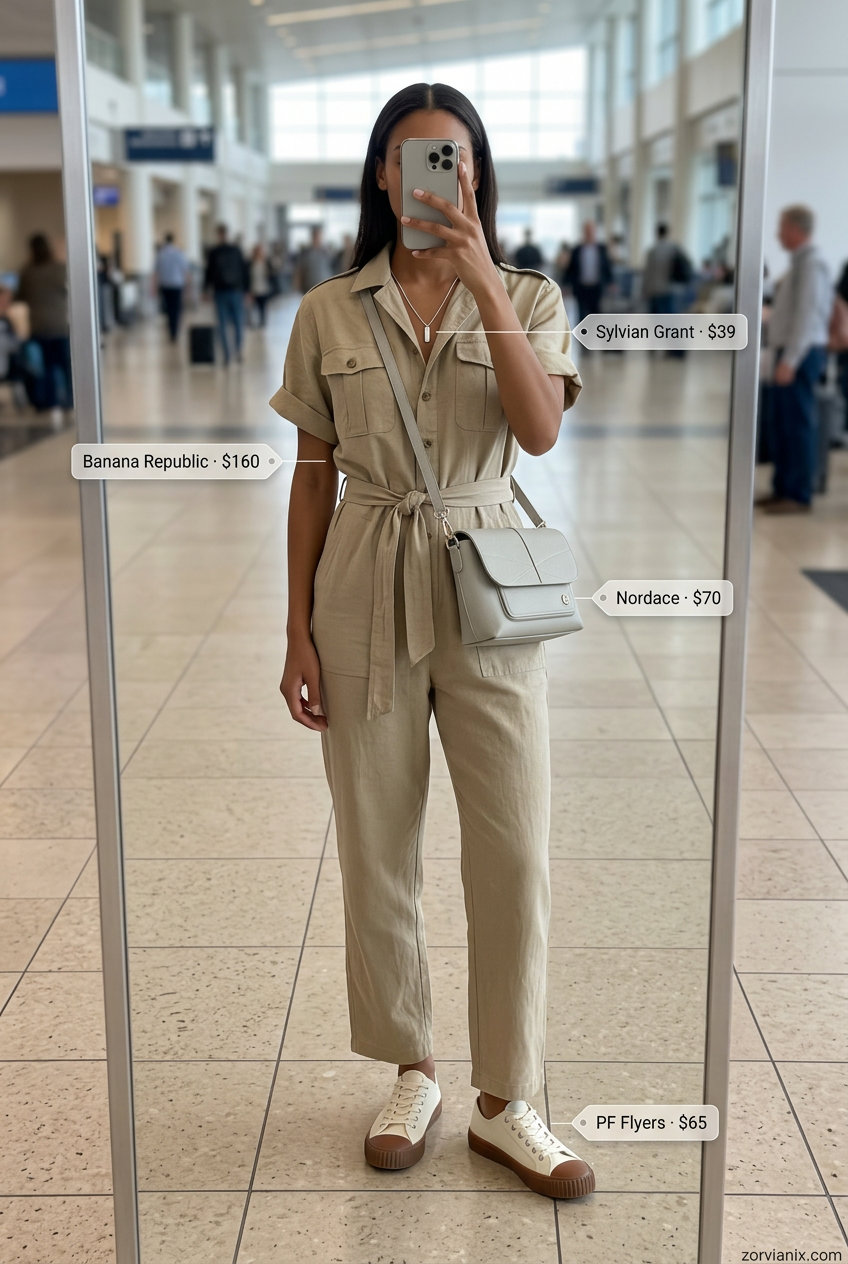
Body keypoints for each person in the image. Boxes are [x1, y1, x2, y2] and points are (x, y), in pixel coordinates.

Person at [273, 81, 594, 1202]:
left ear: (477, 173)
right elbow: (311, 476)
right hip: (361, 571)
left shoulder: (527, 294)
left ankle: (509, 1098)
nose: (432, 177)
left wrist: (475, 281)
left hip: (486, 575)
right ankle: (410, 1069)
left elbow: (539, 430)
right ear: (378, 175)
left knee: (510, 844)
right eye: (413, 159)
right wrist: (295, 628)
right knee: (376, 839)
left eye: (451, 158)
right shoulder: (327, 310)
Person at [758, 204, 832, 513]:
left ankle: (798, 494)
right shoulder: (798, 264)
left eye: (782, 226)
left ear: (796, 229)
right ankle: (782, 487)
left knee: (798, 425)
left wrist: (790, 360)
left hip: (800, 355)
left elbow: (807, 317)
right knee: (782, 423)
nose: (778, 233)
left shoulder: (812, 265)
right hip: (790, 352)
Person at [15, 233, 73, 412]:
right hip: (60, 326)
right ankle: (70, 399)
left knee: (46, 367)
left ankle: (49, 401)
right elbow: (67, 291)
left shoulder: (27, 272)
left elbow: (21, 296)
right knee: (65, 366)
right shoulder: (59, 268)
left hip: (39, 326)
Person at [642, 222, 692, 358]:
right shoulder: (675, 248)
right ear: (667, 232)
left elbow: (648, 273)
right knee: (671, 321)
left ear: (657, 233)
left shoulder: (652, 251)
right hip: (670, 290)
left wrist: (644, 291)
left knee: (655, 321)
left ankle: (654, 347)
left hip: (655, 290)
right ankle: (675, 349)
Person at [203, 224, 247, 365]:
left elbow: (208, 273)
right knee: (238, 322)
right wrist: (247, 289)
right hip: (235, 290)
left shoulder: (214, 252)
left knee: (222, 324)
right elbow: (244, 270)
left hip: (220, 291)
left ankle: (227, 355)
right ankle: (238, 349)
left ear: (218, 234)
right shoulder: (236, 250)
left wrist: (205, 290)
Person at [564, 221, 613, 323]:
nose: (589, 233)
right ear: (583, 232)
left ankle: (596, 334)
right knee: (581, 314)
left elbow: (607, 267)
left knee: (596, 313)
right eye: (587, 231)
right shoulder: (577, 250)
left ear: (595, 232)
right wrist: (566, 285)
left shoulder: (601, 249)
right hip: (581, 287)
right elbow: (570, 269)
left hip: (597, 287)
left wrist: (611, 282)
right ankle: (583, 335)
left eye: (591, 231)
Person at [155, 232, 189, 343]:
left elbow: (156, 272)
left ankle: (171, 331)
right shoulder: (178, 252)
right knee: (176, 309)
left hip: (165, 285)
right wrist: (187, 286)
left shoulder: (161, 253)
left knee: (169, 309)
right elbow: (185, 270)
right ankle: (175, 331)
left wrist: (154, 287)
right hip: (177, 285)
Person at [294, 225, 334, 292]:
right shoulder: (305, 253)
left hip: (324, 287)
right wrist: (297, 287)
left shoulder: (326, 252)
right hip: (310, 288)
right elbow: (299, 271)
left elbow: (331, 269)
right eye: (316, 236)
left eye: (319, 236)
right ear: (312, 237)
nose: (318, 238)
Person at [248, 243, 272, 328]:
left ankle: (262, 322)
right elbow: (248, 277)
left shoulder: (265, 263)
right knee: (253, 308)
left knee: (263, 307)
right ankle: (253, 322)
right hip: (254, 289)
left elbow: (270, 275)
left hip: (264, 289)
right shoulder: (251, 263)